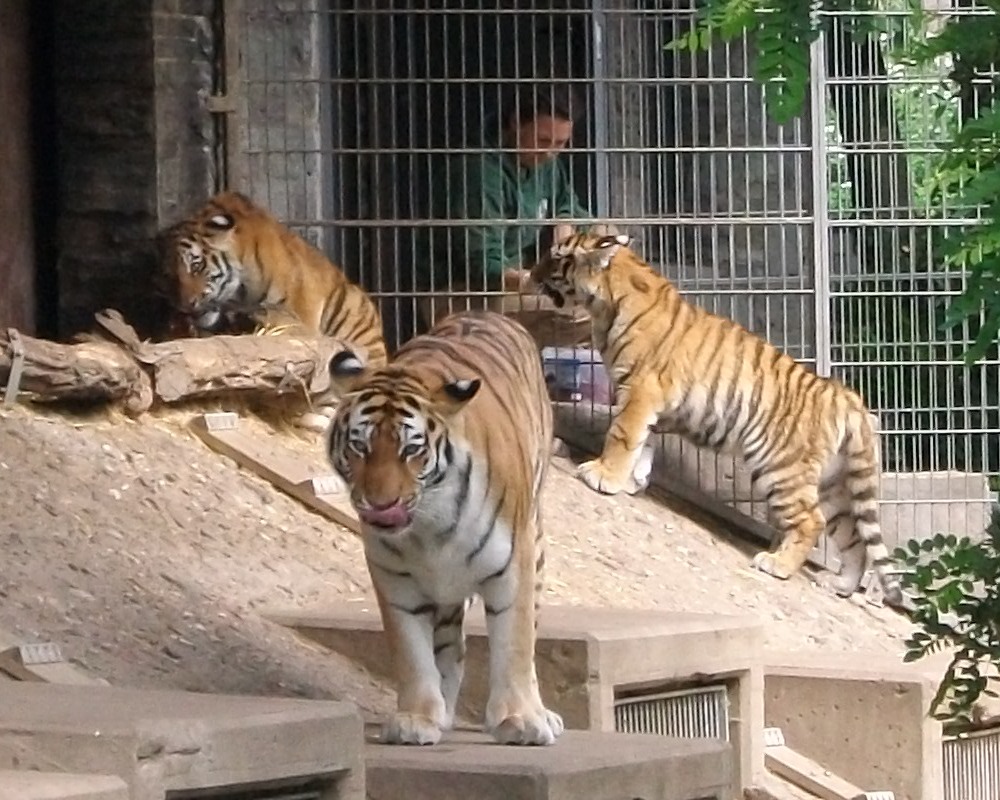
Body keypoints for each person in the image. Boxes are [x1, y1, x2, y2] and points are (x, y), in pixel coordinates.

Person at [417, 82, 612, 333]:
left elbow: (569, 204)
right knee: (586, 314)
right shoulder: (479, 172)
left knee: (606, 233)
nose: (551, 153)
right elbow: (483, 266)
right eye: (543, 140)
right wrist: (540, 282)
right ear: (516, 123)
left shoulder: (545, 162)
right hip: (462, 292)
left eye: (560, 143)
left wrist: (565, 223)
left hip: (522, 280)